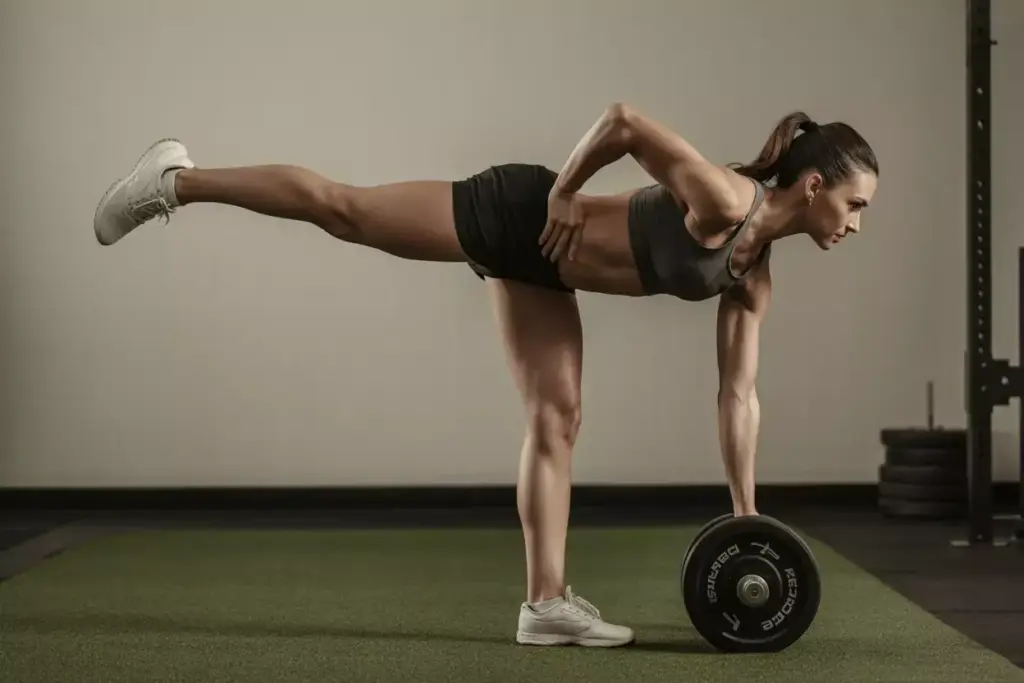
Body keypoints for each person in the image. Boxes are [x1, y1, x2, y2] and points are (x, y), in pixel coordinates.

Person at [93, 103, 879, 648]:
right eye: (854, 203)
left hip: (545, 274)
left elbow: (737, 394)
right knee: (347, 211)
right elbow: (625, 120)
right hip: (520, 212)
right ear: (813, 186)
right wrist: (565, 191)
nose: (854, 222)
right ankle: (174, 181)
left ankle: (545, 605)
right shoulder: (723, 200)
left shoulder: (752, 277)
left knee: (557, 418)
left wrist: (746, 517)